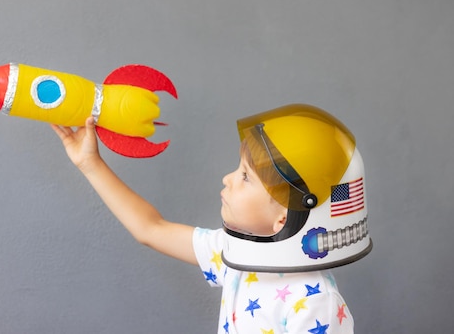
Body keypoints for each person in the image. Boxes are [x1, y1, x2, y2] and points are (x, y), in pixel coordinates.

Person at [51, 103, 372, 333]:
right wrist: (89, 163)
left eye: (245, 176)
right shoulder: (234, 255)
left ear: (284, 218)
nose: (227, 178)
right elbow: (150, 228)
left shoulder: (316, 303)